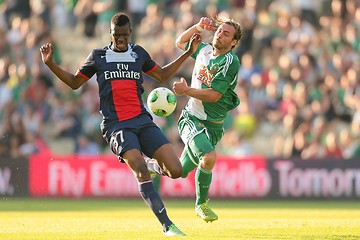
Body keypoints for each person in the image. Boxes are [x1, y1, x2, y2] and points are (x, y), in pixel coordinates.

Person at [40, 12, 200, 237]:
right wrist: (50, 65)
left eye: (124, 35)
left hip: (142, 120)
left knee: (176, 170)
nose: (121, 39)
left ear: (130, 33)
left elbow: (162, 75)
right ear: (110, 33)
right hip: (116, 125)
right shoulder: (98, 56)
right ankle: (167, 225)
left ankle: (154, 167)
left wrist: (188, 53)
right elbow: (75, 83)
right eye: (117, 35)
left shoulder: (139, 54)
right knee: (139, 167)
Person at [173, 16, 242, 222]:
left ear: (234, 43)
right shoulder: (203, 50)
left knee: (178, 171)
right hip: (192, 118)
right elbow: (180, 43)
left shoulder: (230, 62)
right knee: (209, 157)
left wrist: (186, 90)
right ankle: (201, 205)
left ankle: (154, 167)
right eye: (220, 30)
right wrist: (197, 26)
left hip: (213, 127)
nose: (220, 35)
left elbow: (214, 95)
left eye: (226, 34)